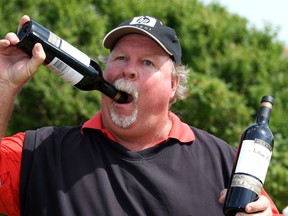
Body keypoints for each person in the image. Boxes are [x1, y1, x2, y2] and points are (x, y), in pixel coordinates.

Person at [0, 15, 282, 216]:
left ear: (173, 86)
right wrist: (3, 86)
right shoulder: (41, 153)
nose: (128, 70)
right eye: (120, 58)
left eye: (147, 62)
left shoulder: (224, 163)